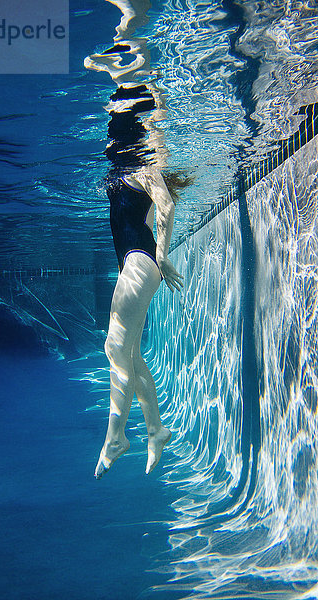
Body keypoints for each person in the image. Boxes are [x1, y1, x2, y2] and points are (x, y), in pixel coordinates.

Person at [95, 83, 191, 479]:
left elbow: (165, 204)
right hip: (133, 263)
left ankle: (116, 436)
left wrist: (163, 256)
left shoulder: (143, 166)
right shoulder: (127, 169)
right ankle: (155, 429)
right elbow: (151, 212)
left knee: (113, 346)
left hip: (140, 261)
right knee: (129, 354)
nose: (106, 148)